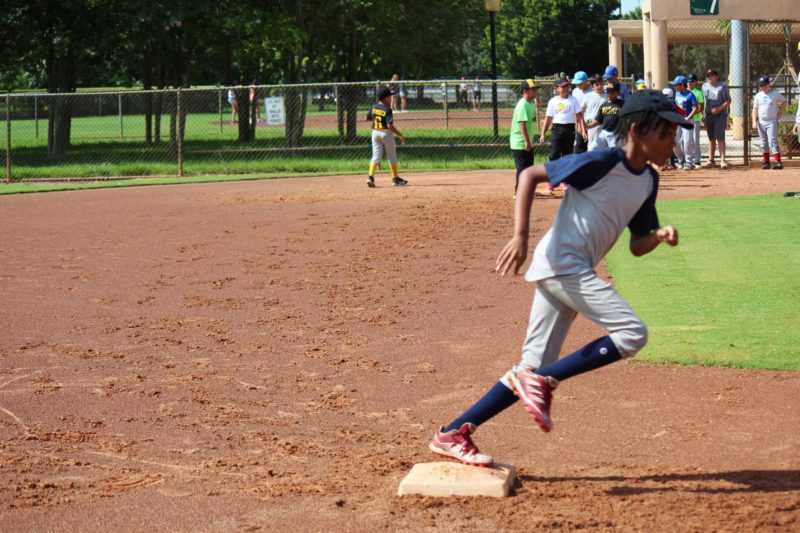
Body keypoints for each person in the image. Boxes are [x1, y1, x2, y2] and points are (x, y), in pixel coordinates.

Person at [428, 90, 689, 467]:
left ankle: (452, 433)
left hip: (569, 269)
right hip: (563, 263)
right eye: (665, 133)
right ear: (636, 131)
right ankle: (545, 380)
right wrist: (519, 235)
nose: (673, 142)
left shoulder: (647, 180)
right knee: (633, 333)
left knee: (528, 370)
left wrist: (658, 236)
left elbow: (636, 245)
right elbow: (532, 175)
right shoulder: (602, 162)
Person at [540, 78, 586, 192]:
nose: (566, 88)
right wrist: (542, 134)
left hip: (569, 129)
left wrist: (584, 130)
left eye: (567, 86)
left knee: (567, 156)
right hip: (557, 129)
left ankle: (565, 181)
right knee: (554, 155)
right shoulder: (553, 101)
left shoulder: (573, 100)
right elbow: (548, 118)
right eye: (563, 86)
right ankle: (552, 182)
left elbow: (579, 116)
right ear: (557, 89)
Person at [365, 87, 408, 187]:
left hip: (375, 133)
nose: (391, 98)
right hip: (386, 133)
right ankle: (395, 178)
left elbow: (367, 117)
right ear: (385, 98)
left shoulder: (374, 106)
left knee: (376, 156)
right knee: (391, 156)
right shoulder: (388, 109)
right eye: (389, 97)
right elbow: (389, 125)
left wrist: (376, 120)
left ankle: (370, 177)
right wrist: (400, 135)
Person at [509, 79, 540, 196]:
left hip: (527, 141)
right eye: (533, 89)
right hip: (520, 142)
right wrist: (527, 141)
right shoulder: (522, 105)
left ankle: (527, 190)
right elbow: (521, 124)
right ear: (525, 91)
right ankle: (518, 192)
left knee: (529, 168)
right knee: (522, 169)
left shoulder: (530, 103)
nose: (536, 91)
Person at [752, 75, 786, 170]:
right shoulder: (758, 95)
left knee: (772, 141)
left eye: (765, 85)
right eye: (761, 85)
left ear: (769, 84)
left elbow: (784, 101)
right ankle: (766, 162)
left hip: (772, 121)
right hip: (761, 122)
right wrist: (754, 121)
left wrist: (780, 113)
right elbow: (755, 109)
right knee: (763, 142)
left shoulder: (775, 93)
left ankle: (778, 162)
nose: (763, 87)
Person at [701, 69, 732, 169]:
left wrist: (719, 109)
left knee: (720, 137)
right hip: (709, 115)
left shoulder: (722, 86)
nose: (710, 77)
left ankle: (723, 160)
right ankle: (711, 160)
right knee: (711, 138)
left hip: (720, 115)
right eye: (708, 75)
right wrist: (703, 114)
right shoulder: (704, 86)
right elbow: (704, 101)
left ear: (717, 76)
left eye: (712, 75)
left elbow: (728, 100)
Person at [671, 75, 699, 170]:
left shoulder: (690, 94)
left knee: (687, 141)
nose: (675, 87)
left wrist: (688, 117)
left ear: (682, 85)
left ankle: (689, 162)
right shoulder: (677, 94)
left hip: (687, 120)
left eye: (676, 85)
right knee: (674, 141)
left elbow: (696, 108)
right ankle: (680, 159)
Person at [587, 81, 623, 151]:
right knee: (591, 150)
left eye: (612, 92)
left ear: (618, 93)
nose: (609, 94)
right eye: (608, 92)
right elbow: (598, 120)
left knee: (614, 155)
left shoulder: (622, 104)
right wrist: (587, 126)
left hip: (615, 133)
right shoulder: (604, 105)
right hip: (604, 132)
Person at [583, 77, 608, 151]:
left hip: (603, 124)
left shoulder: (607, 95)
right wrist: (581, 124)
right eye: (597, 84)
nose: (599, 86)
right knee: (591, 146)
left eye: (601, 84)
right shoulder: (588, 96)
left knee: (604, 146)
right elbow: (582, 110)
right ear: (592, 86)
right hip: (591, 125)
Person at [686, 74, 705, 168]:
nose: (689, 83)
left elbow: (701, 107)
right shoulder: (684, 92)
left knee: (694, 140)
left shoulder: (698, 93)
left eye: (691, 81)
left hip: (695, 119)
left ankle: (697, 160)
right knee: (684, 141)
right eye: (688, 81)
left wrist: (693, 113)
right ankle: (687, 160)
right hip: (685, 119)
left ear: (695, 82)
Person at [571, 71, 592, 153]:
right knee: (578, 150)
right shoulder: (575, 91)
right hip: (580, 124)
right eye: (576, 84)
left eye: (580, 83)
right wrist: (578, 123)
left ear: (586, 81)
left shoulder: (593, 91)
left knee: (591, 149)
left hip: (591, 124)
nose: (577, 86)